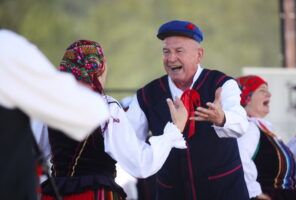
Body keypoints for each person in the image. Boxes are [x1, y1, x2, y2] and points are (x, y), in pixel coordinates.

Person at [41, 40, 188, 200]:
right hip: (95, 195)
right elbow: (140, 164)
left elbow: (35, 151)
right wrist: (174, 131)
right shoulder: (106, 108)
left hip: (56, 194)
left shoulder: (50, 105)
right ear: (99, 70)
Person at [126, 20, 249, 200]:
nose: (171, 58)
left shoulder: (221, 84)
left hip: (224, 192)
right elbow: (129, 141)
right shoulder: (147, 95)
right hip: (171, 192)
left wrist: (221, 118)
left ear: (199, 55)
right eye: (166, 52)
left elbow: (241, 125)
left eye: (179, 51)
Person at [0, 30, 110, 200]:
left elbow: (38, 146)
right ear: (100, 70)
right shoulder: (7, 47)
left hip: (55, 188)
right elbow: (138, 163)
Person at [236, 75, 296, 200]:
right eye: (262, 90)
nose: (269, 94)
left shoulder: (263, 130)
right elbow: (240, 158)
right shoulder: (249, 128)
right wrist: (255, 192)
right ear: (246, 97)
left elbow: (286, 170)